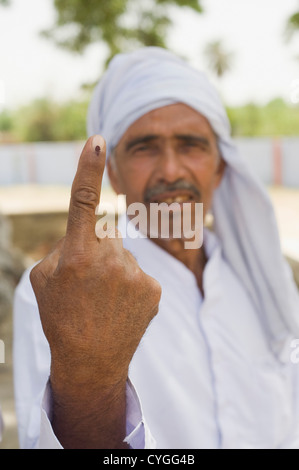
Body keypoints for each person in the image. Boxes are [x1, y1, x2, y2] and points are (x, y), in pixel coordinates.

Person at [13, 47, 299, 449]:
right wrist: (90, 379)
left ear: (219, 167)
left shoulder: (260, 278)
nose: (170, 170)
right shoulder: (63, 287)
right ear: (112, 171)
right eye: (145, 147)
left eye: (190, 145)